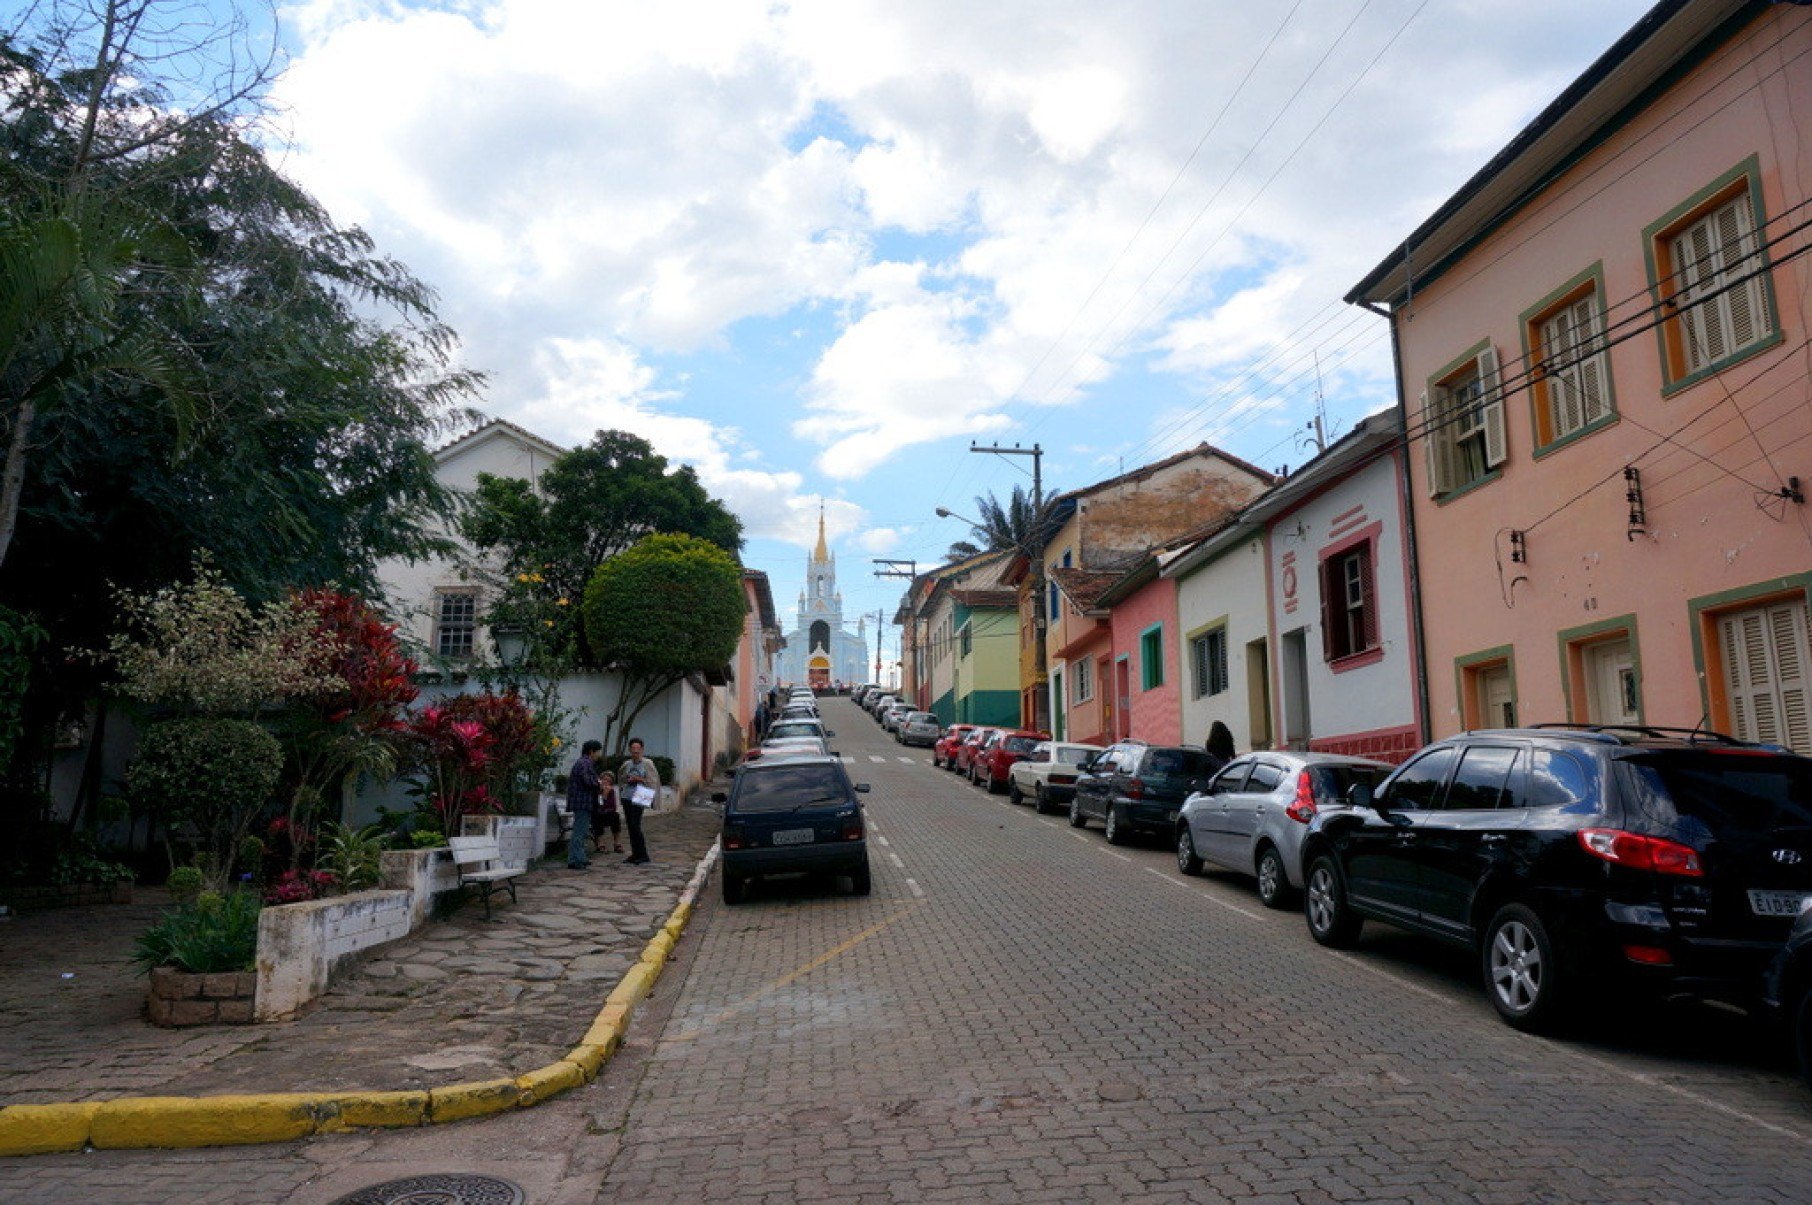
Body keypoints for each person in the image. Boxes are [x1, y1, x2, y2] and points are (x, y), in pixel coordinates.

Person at [618, 737, 660, 865]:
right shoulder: (627, 764)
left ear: (642, 749)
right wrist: (627, 781)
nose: (635, 751)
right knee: (630, 826)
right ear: (630, 749)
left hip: (641, 794)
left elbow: (653, 780)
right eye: (633, 748)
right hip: (627, 795)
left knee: (635, 825)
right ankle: (635, 853)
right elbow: (621, 778)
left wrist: (639, 779)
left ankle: (643, 854)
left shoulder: (647, 763)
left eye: (638, 748)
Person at [566, 740, 604, 869]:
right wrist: (599, 784)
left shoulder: (583, 763)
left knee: (582, 831)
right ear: (591, 751)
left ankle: (579, 857)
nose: (599, 755)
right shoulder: (585, 763)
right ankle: (576, 859)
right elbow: (587, 781)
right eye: (598, 752)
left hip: (582, 802)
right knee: (580, 831)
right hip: (582, 802)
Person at [593, 770, 624, 856]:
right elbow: (598, 805)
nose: (606, 782)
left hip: (607, 813)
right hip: (596, 814)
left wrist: (606, 795)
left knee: (616, 815)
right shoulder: (596, 790)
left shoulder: (611, 791)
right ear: (600, 780)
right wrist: (604, 795)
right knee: (598, 815)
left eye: (608, 781)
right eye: (604, 779)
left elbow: (613, 806)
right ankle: (600, 843)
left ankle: (617, 842)